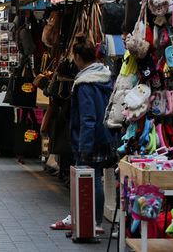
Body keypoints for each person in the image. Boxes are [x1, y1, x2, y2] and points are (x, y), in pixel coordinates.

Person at [50, 37, 114, 234]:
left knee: (87, 177)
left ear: (78, 57)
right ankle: (92, 221)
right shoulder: (104, 77)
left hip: (89, 138)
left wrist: (84, 147)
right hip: (104, 135)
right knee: (96, 178)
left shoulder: (85, 83)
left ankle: (85, 220)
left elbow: (88, 117)